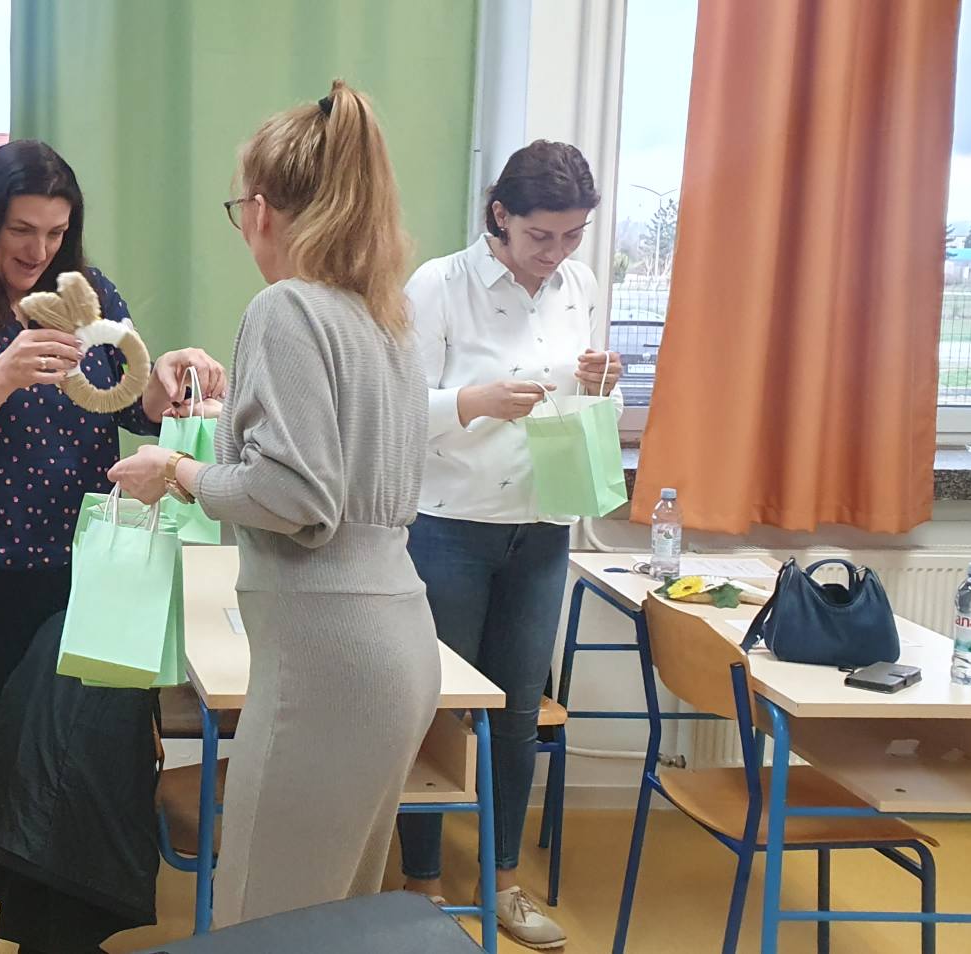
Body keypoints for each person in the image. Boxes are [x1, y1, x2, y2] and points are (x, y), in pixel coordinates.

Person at [0, 138, 225, 954]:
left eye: (55, 232)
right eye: (21, 231)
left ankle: (53, 930)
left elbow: (131, 401)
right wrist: (3, 372)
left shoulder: (86, 293)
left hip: (81, 570)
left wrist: (167, 378)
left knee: (73, 757)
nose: (38, 250)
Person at [108, 80, 437, 926]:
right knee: (337, 916)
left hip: (329, 655)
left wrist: (177, 472)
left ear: (258, 210)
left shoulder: (285, 307)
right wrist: (229, 436)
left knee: (264, 917)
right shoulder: (384, 318)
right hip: (398, 638)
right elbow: (333, 476)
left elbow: (294, 494)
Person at [391, 139, 620, 950]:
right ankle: (421, 884)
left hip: (544, 524)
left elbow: (578, 396)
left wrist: (599, 381)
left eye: (572, 235)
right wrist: (473, 401)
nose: (556, 253)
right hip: (449, 525)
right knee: (438, 711)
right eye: (539, 236)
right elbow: (395, 410)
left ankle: (503, 883)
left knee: (519, 713)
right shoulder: (438, 286)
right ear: (500, 216)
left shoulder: (578, 287)